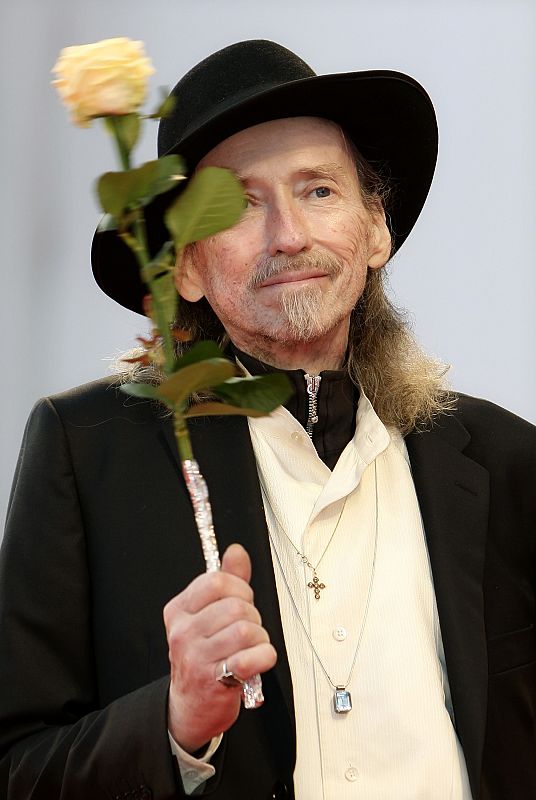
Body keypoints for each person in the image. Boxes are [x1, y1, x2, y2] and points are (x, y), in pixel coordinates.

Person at [0, 39, 534, 800]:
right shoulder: (85, 455)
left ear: (375, 227)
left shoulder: (509, 458)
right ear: (183, 265)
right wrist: (173, 725)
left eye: (319, 190)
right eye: (239, 204)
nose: (288, 235)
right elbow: (17, 770)